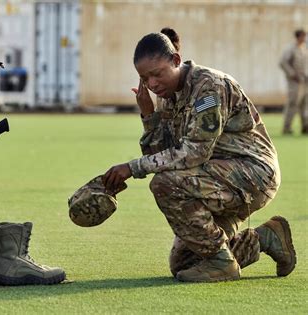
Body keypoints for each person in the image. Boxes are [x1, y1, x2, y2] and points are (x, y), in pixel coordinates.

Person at [102, 29, 296, 282]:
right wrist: (149, 116)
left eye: (157, 74)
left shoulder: (209, 88)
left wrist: (133, 167)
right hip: (213, 178)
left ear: (175, 61)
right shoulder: (168, 98)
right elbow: (164, 158)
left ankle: (222, 264)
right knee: (184, 263)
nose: (152, 84)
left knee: (164, 184)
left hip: (252, 173)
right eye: (144, 78)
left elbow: (195, 152)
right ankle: (265, 238)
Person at [279, 29, 307, 134]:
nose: (305, 39)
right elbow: (282, 62)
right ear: (298, 37)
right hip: (294, 82)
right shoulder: (290, 48)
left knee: (304, 105)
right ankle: (287, 128)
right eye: (303, 36)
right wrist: (292, 74)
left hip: (304, 81)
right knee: (292, 104)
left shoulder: (303, 48)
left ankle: (305, 126)